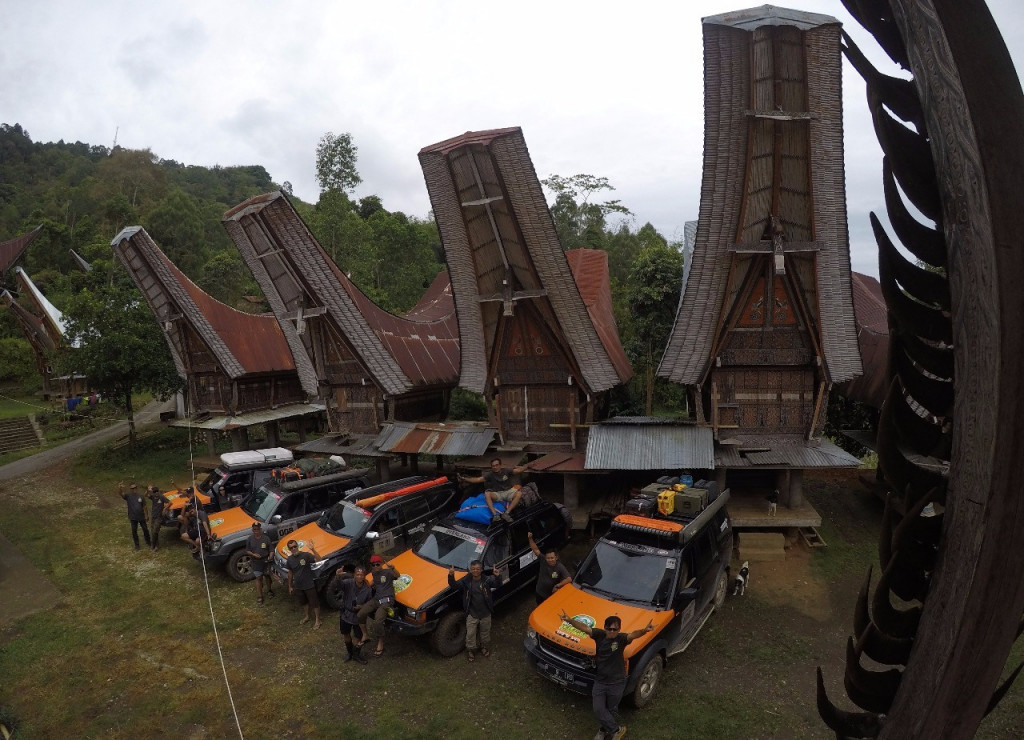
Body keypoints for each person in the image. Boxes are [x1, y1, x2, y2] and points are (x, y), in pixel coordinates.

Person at [559, 611, 654, 740]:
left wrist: (644, 630)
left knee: (611, 709)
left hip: (617, 681)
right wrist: (570, 620)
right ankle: (617, 730)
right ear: (605, 628)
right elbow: (585, 628)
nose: (612, 631)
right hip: (601, 680)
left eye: (615, 629)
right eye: (609, 628)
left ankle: (603, 731)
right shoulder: (599, 635)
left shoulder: (621, 639)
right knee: (598, 709)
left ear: (619, 629)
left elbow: (633, 635)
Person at [448, 560, 501, 661]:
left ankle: (483, 647)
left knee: (485, 632)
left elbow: (497, 584)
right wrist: (451, 576)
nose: (475, 571)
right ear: (470, 570)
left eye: (477, 569)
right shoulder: (466, 581)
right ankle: (471, 650)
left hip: (486, 613)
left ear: (481, 569)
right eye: (473, 569)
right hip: (472, 614)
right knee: (470, 634)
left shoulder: (487, 580)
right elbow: (455, 586)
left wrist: (497, 576)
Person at [460, 458, 529, 523]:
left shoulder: (506, 470)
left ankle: (506, 513)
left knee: (519, 494)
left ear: (500, 465)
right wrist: (465, 479)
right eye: (493, 466)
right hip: (497, 493)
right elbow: (478, 479)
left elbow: (519, 470)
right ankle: (495, 515)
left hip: (508, 491)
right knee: (487, 493)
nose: (495, 467)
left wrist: (526, 466)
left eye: (497, 465)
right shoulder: (490, 474)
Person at [356, 554, 400, 656]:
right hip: (376, 599)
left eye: (377, 564)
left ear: (381, 563)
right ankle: (365, 635)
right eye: (373, 565)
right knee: (360, 614)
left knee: (378, 621)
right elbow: (375, 582)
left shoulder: (388, 572)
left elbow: (398, 576)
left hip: (387, 600)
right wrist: (366, 584)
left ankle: (380, 642)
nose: (375, 566)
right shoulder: (374, 573)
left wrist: (393, 568)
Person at [335, 566, 373, 664]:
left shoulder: (368, 589)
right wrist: (338, 576)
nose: (359, 577)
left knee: (358, 637)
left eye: (361, 575)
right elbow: (339, 585)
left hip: (358, 617)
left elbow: (370, 603)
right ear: (354, 575)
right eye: (357, 574)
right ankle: (349, 653)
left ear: (364, 576)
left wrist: (362, 606)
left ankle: (356, 655)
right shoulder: (348, 583)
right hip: (346, 614)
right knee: (346, 634)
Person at [285, 539, 322, 629]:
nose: (293, 549)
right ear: (289, 549)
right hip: (298, 586)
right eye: (291, 548)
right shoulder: (290, 559)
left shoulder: (306, 555)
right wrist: (290, 586)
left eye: (295, 546)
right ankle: (307, 616)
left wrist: (313, 549)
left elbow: (319, 559)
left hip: (309, 584)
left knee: (314, 603)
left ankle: (318, 620)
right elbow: (290, 573)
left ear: (298, 546)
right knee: (303, 602)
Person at [527, 531, 571, 604]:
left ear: (556, 557)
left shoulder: (560, 567)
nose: (550, 560)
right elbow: (535, 549)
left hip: (550, 596)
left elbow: (569, 579)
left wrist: (558, 585)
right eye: (548, 558)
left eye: (552, 558)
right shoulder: (543, 559)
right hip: (539, 592)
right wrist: (530, 538)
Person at [245, 522, 275, 604]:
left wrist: (271, 557)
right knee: (258, 578)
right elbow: (247, 550)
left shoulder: (266, 538)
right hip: (256, 562)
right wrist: (253, 554)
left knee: (267, 577)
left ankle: (269, 590)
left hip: (265, 561)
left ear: (260, 529)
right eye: (254, 529)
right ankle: (260, 596)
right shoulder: (250, 539)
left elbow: (271, 550)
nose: (256, 531)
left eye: (257, 529)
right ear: (252, 530)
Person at [118, 481, 151, 550]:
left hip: (141, 516)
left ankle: (148, 542)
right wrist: (120, 488)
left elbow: (145, 507)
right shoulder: (128, 496)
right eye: (132, 488)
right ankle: (137, 545)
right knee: (134, 531)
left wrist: (147, 515)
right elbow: (121, 494)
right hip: (133, 517)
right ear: (130, 489)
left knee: (145, 529)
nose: (134, 489)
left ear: (137, 488)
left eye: (135, 487)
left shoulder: (141, 496)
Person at [146, 485, 169, 552]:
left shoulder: (162, 497)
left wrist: (165, 508)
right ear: (153, 492)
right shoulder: (153, 497)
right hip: (153, 516)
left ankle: (153, 545)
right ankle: (156, 545)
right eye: (154, 492)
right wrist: (148, 490)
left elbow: (170, 502)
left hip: (159, 517)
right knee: (153, 531)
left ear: (158, 491)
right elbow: (146, 495)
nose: (156, 493)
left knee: (155, 531)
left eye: (157, 491)